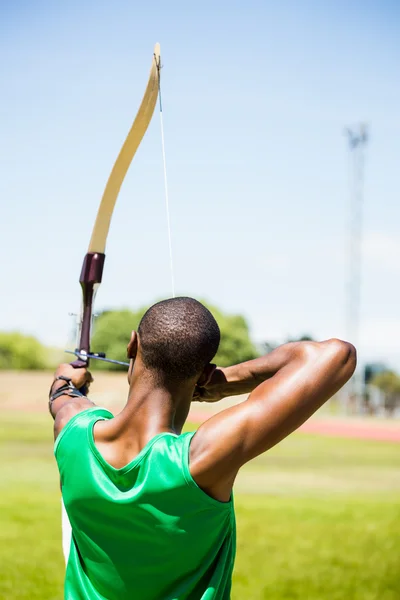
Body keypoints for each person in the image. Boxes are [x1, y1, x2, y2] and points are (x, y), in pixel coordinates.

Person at [49, 297, 356, 600]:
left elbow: (62, 395)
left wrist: (66, 378)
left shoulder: (71, 430)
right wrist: (228, 379)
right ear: (203, 370)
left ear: (132, 345)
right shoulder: (200, 461)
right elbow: (337, 356)